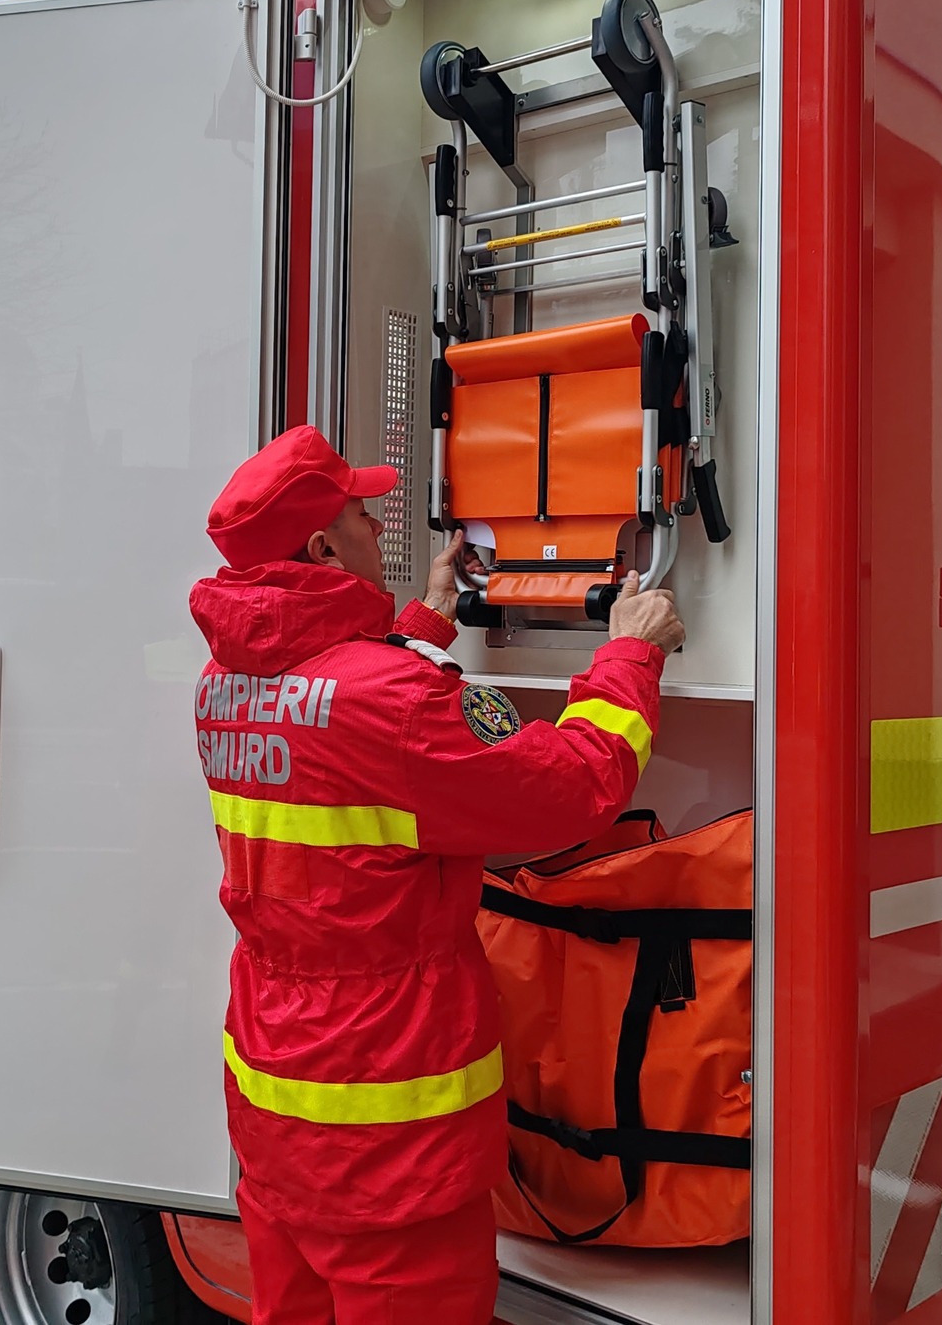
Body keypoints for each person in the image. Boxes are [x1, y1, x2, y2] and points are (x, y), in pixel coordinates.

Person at [190, 425, 685, 1325]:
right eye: (361, 512)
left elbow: (341, 720)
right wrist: (630, 654)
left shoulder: (222, 683)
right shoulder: (394, 707)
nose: (380, 525)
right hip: (390, 1145)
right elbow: (577, 786)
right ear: (322, 549)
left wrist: (424, 620)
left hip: (278, 1115)